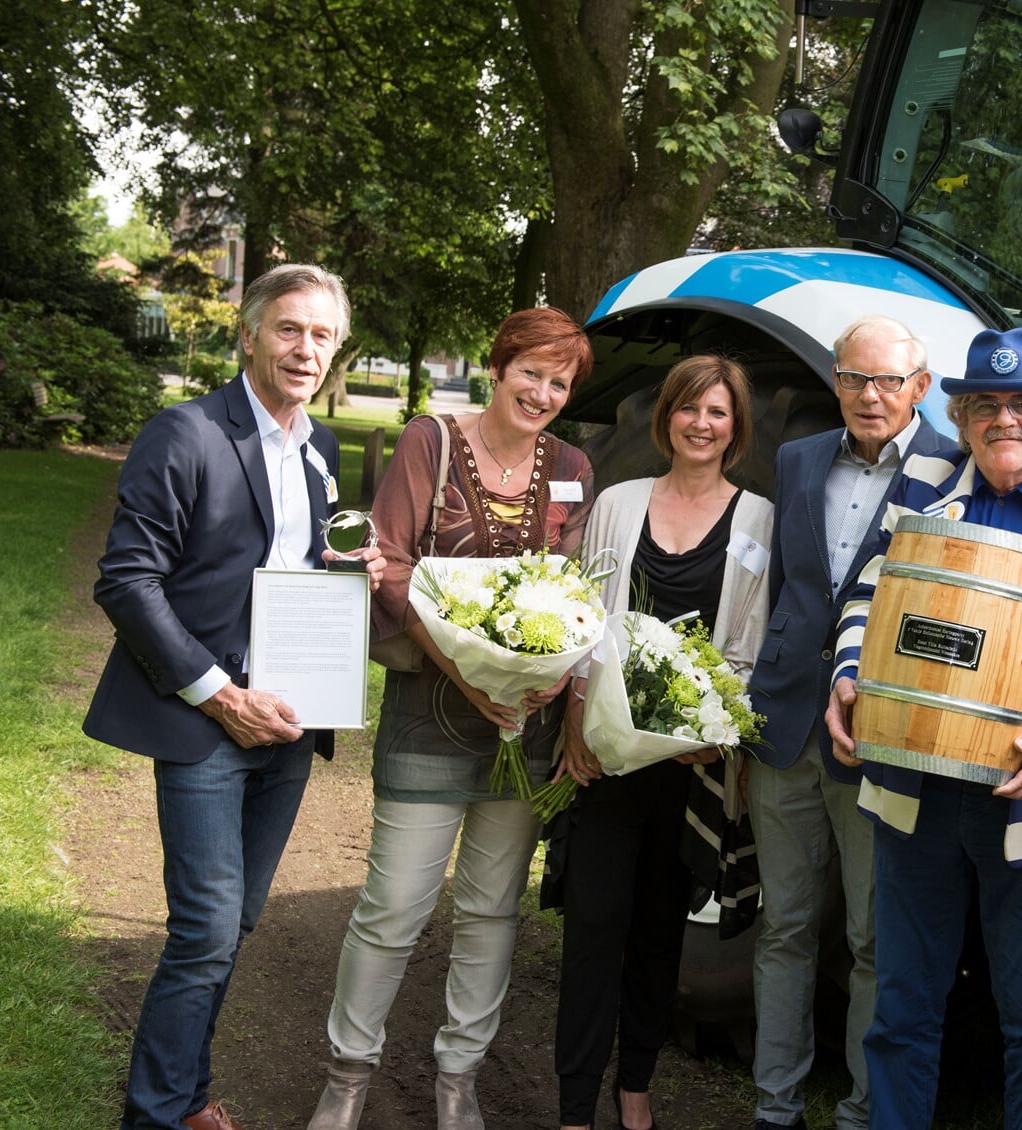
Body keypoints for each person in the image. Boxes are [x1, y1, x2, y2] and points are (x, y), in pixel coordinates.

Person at [83, 264, 385, 1130]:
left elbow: (287, 566)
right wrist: (221, 697)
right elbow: (127, 582)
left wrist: (347, 569)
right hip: (206, 721)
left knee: (234, 924)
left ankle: (183, 1096)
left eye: (323, 335)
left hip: (290, 722)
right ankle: (155, 1115)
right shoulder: (184, 433)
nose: (306, 349)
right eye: (289, 329)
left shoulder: (321, 449)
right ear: (248, 334)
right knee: (207, 928)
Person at [825, 325, 1022, 1129]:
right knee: (901, 1013)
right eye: (987, 404)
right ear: (960, 418)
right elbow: (866, 596)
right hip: (913, 790)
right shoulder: (923, 484)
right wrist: (848, 674)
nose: (1007, 418)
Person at [305, 307, 596, 1130]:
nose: (542, 392)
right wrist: (469, 676)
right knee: (394, 906)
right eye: (530, 373)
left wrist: (556, 673)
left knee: (490, 911)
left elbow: (577, 591)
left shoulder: (572, 465)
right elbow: (388, 562)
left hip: (523, 727)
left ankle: (458, 1076)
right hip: (433, 712)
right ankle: (348, 1075)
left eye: (559, 381)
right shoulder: (429, 442)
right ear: (499, 368)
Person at [743, 315, 955, 1130]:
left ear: (920, 388)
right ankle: (775, 1104)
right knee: (783, 925)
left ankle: (866, 1112)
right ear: (835, 381)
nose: (873, 396)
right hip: (785, 725)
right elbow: (781, 592)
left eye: (890, 381)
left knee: (875, 939)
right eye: (857, 378)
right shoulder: (797, 459)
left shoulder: (954, 470)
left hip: (881, 736)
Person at [553, 355, 774, 1130]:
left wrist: (716, 735)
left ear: (735, 428)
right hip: (610, 760)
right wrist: (579, 721)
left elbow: (747, 648)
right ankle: (576, 1106)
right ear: (668, 417)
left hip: (690, 769)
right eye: (688, 409)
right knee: (592, 935)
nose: (701, 425)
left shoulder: (757, 520)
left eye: (717, 413)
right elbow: (583, 619)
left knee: (657, 936)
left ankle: (636, 1088)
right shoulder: (617, 503)